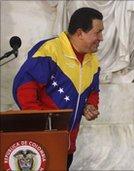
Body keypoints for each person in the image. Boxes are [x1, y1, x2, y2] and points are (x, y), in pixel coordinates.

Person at [12, 7, 103, 169]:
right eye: (98, 32)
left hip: (67, 144)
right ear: (80, 33)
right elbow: (22, 88)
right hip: (41, 142)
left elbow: (93, 91)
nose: (101, 38)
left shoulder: (93, 61)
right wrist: (40, 124)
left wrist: (90, 106)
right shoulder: (49, 50)